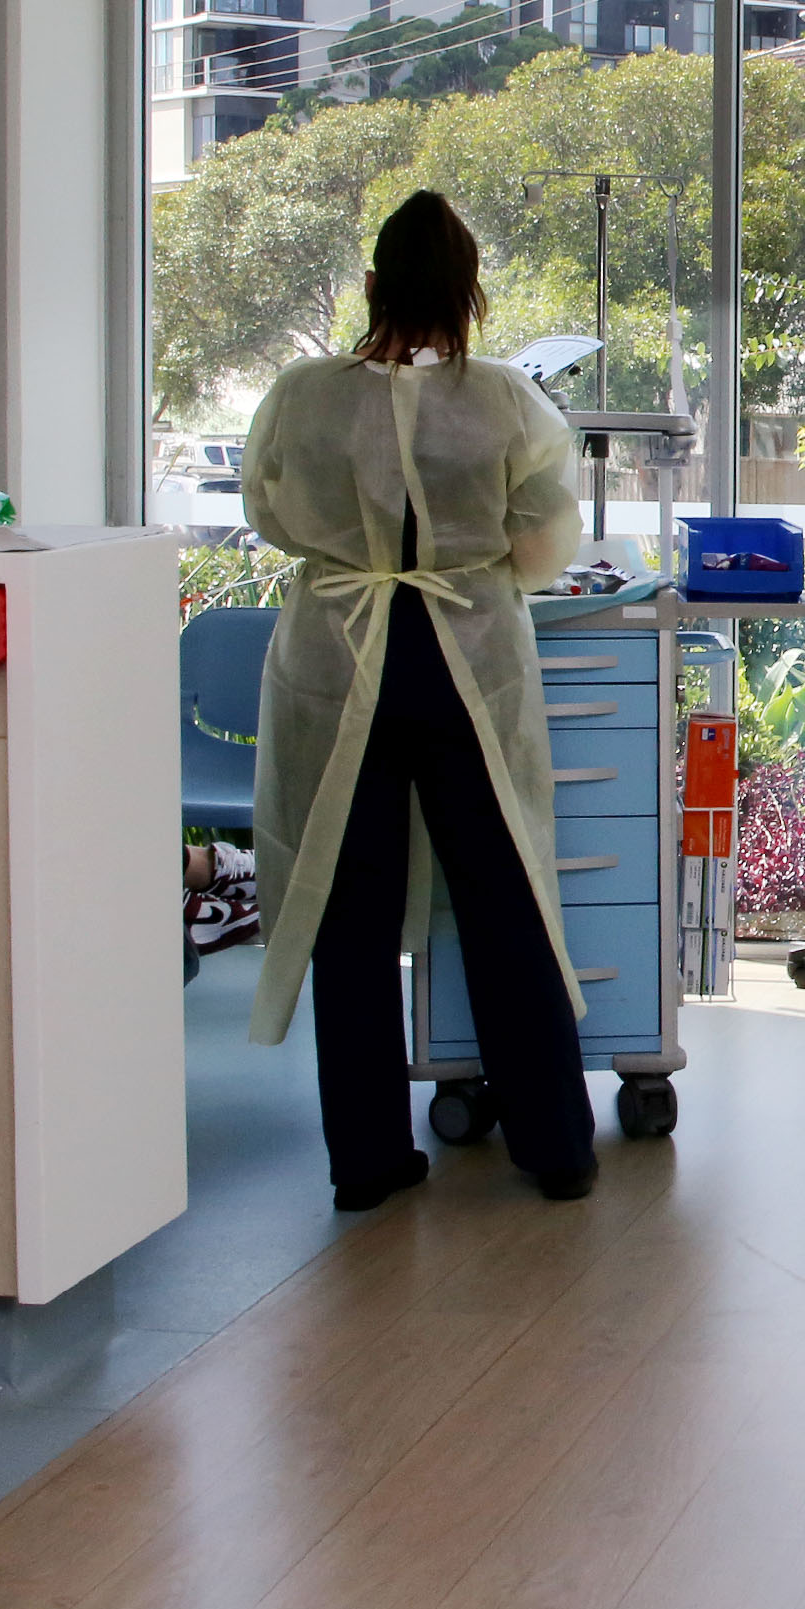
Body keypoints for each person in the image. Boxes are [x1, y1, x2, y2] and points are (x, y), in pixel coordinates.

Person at [241, 191, 598, 1211]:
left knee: (343, 914)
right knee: (505, 898)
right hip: (464, 662)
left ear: (372, 288)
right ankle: (557, 1149)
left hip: (336, 662)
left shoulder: (303, 394)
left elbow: (270, 513)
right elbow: (538, 541)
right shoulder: (505, 400)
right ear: (470, 294)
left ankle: (365, 1160)